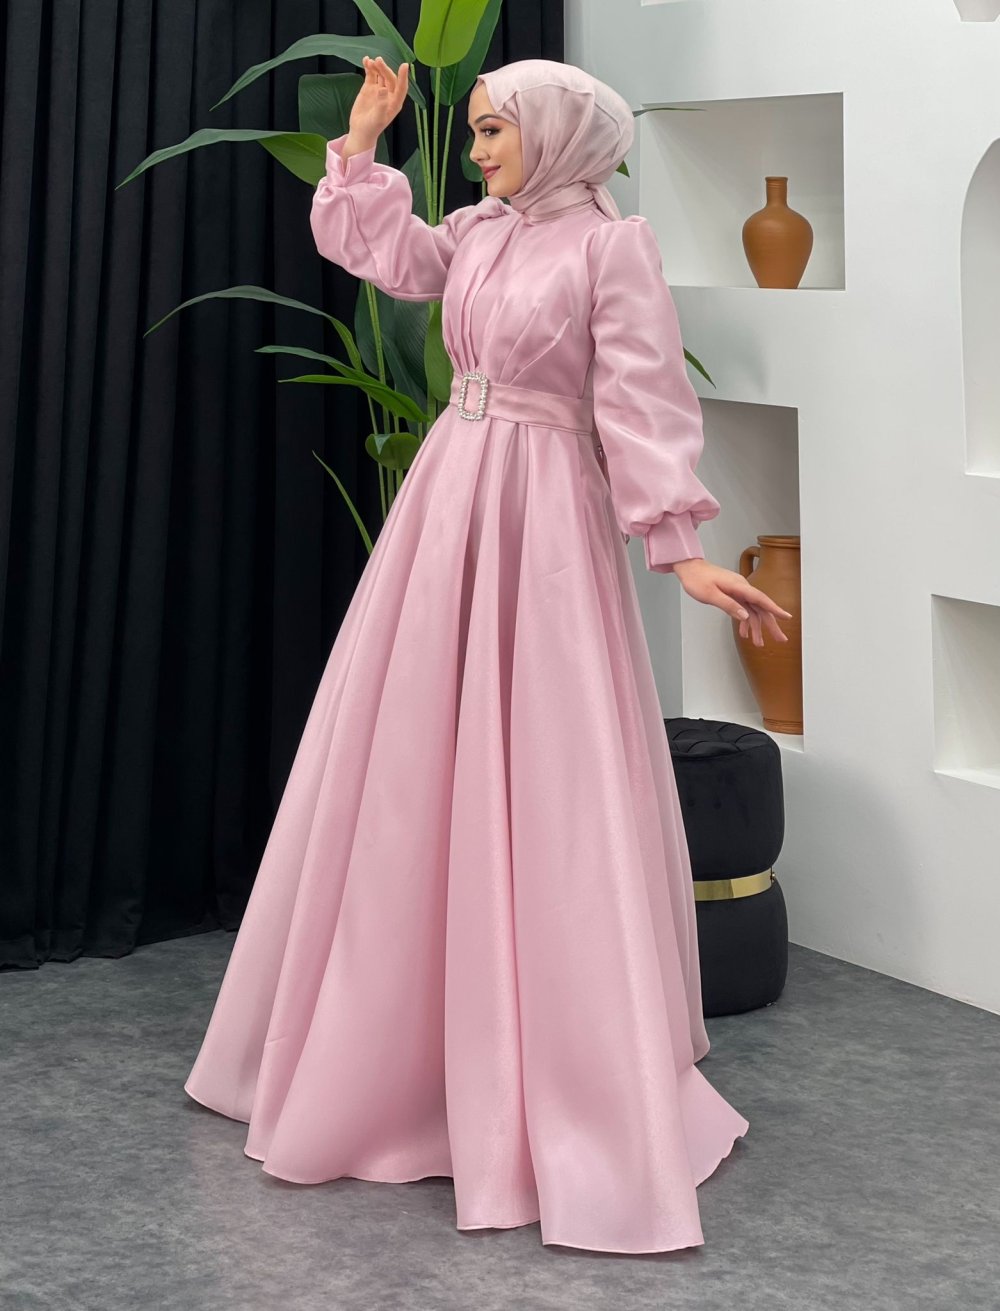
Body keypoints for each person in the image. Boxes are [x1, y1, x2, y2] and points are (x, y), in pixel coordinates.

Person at [184, 55, 791, 1255]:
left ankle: (552, 1076)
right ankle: (398, 1053)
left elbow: (642, 401)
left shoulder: (610, 249)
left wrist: (679, 550)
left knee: (542, 768)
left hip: (544, 520)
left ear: (558, 132)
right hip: (446, 505)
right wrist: (363, 147)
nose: (476, 153)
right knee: (412, 763)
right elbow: (390, 255)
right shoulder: (475, 231)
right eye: (472, 134)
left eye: (495, 131)